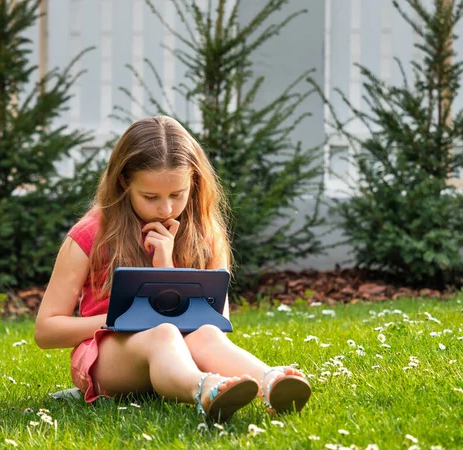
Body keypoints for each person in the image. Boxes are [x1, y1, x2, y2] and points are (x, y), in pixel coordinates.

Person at [34, 116, 311, 421]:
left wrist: (165, 268)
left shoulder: (204, 234)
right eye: (151, 197)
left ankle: (272, 381)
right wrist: (119, 319)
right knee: (162, 333)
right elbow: (46, 331)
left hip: (184, 349)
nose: (166, 209)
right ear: (124, 183)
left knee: (205, 333)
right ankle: (207, 388)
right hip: (109, 356)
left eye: (177, 195)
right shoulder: (90, 234)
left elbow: (218, 323)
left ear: (194, 180)